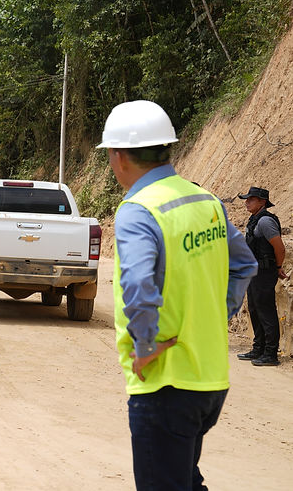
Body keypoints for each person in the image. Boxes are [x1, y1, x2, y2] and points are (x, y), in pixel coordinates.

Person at [98, 99, 257, 491]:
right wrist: (217, 315)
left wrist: (146, 344)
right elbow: (245, 264)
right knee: (185, 479)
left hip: (165, 382)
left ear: (118, 157)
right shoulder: (206, 201)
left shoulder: (138, 210)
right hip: (208, 381)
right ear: (168, 148)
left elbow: (137, 286)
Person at [237, 186, 287, 366]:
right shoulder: (254, 220)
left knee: (266, 312)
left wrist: (278, 266)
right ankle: (258, 349)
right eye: (247, 199)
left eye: (251, 199)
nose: (246, 202)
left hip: (264, 273)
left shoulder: (265, 222)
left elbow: (280, 248)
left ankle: (270, 354)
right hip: (255, 272)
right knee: (255, 309)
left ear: (262, 202)